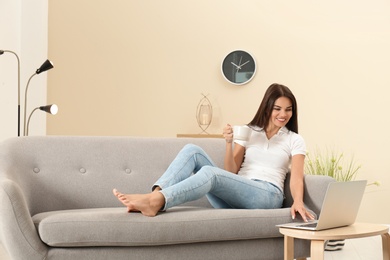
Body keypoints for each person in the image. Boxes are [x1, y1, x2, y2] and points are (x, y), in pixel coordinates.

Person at [113, 83, 314, 222]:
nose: (283, 114)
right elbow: (231, 170)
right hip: (235, 196)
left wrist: (297, 201)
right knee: (192, 150)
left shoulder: (294, 139)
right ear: (267, 108)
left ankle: (157, 201)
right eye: (277, 108)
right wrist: (229, 143)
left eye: (288, 110)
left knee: (210, 173)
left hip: (267, 195)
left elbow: (296, 178)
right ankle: (154, 196)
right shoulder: (250, 131)